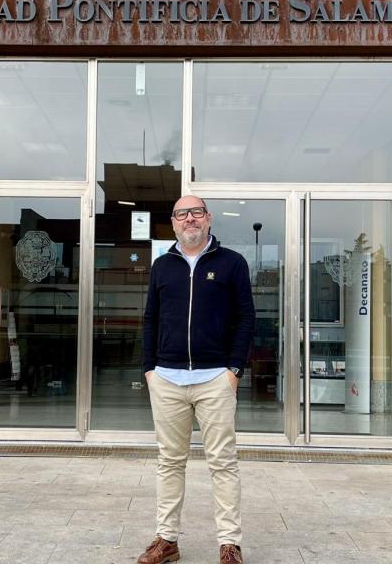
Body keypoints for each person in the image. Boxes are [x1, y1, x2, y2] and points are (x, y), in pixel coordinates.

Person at [137, 195, 256, 564]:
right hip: (167, 378)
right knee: (170, 460)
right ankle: (166, 540)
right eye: (182, 214)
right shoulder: (162, 266)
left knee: (223, 462)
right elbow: (150, 319)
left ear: (209, 219)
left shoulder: (232, 263)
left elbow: (247, 318)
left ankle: (229, 544)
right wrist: (150, 370)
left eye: (197, 212)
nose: (190, 219)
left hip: (215, 379)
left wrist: (233, 370)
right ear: (173, 223)